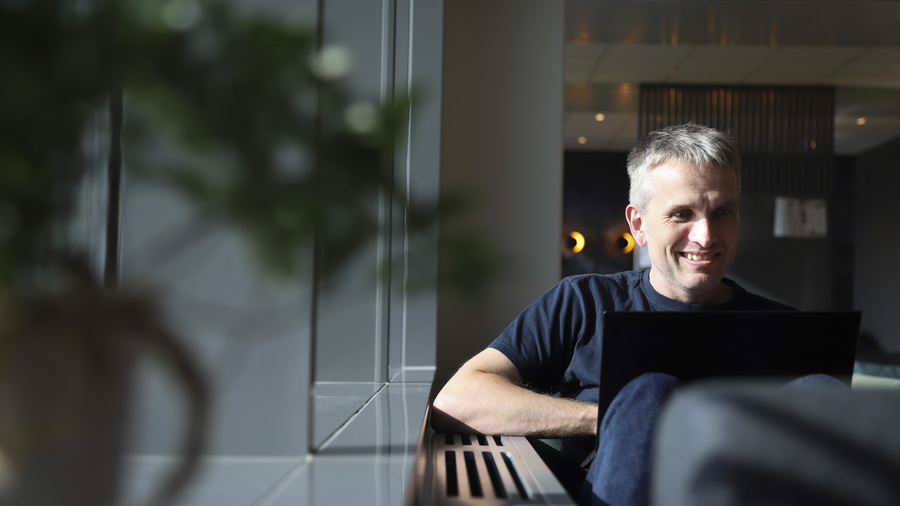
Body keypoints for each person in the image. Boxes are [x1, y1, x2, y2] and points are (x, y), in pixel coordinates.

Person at [430, 123, 798, 506]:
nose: (706, 236)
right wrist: (617, 418)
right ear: (638, 225)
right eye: (682, 214)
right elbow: (458, 401)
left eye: (723, 212)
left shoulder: (785, 326)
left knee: (817, 390)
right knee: (647, 394)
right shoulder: (584, 301)